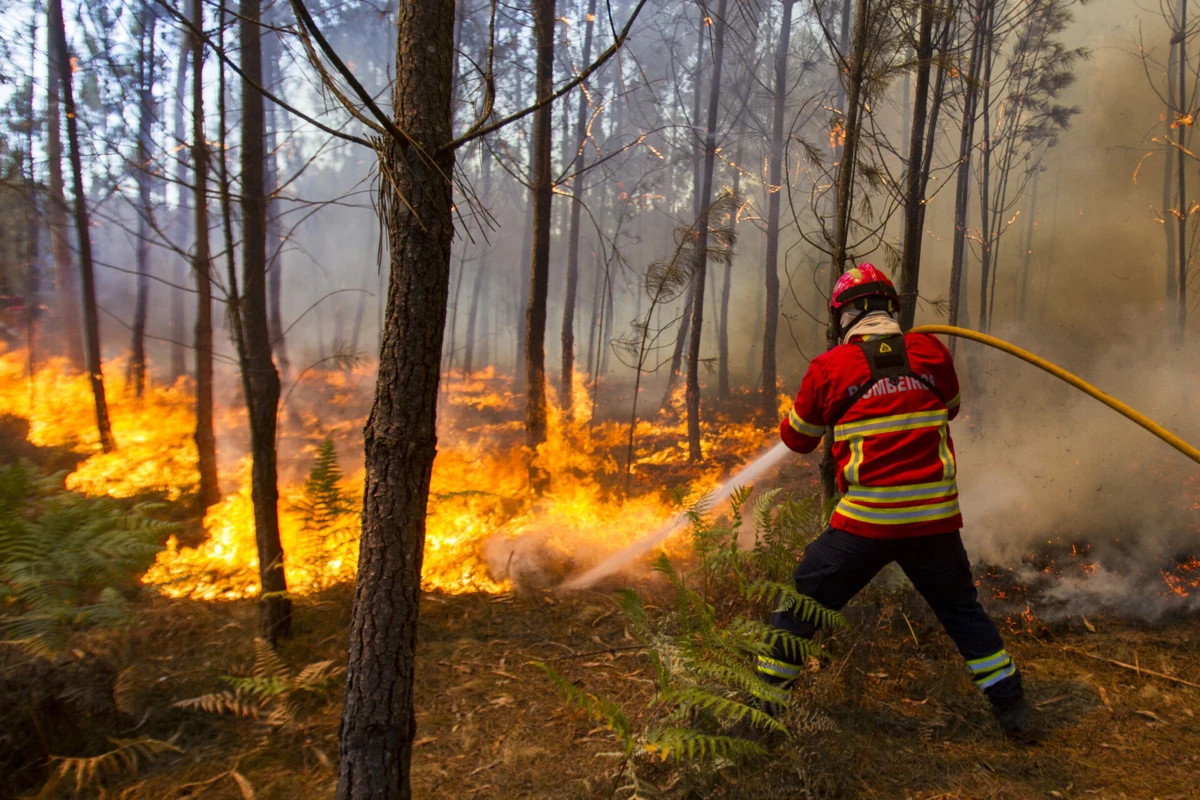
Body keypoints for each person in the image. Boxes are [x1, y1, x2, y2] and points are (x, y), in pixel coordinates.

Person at [757, 263, 1033, 740]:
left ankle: (758, 715)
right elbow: (950, 409)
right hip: (934, 522)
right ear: (893, 308)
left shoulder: (830, 367)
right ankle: (1015, 713)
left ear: (842, 317)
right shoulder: (930, 352)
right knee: (962, 612)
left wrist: (808, 408)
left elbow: (798, 440)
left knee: (801, 606)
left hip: (865, 524)